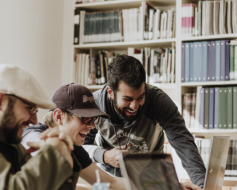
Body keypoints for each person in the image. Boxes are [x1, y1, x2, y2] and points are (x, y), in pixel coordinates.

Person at [82, 54, 206, 189]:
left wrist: (202, 186)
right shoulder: (95, 104)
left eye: (140, 97)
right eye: (127, 99)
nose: (134, 106)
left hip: (152, 179)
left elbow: (185, 145)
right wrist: (104, 155)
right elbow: (81, 146)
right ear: (110, 92)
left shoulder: (159, 101)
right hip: (111, 180)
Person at [22, 83, 126, 190]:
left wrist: (142, 184)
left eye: (93, 118)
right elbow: (34, 142)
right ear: (59, 116)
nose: (92, 126)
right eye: (85, 118)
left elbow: (110, 182)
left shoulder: (74, 146)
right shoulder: (33, 134)